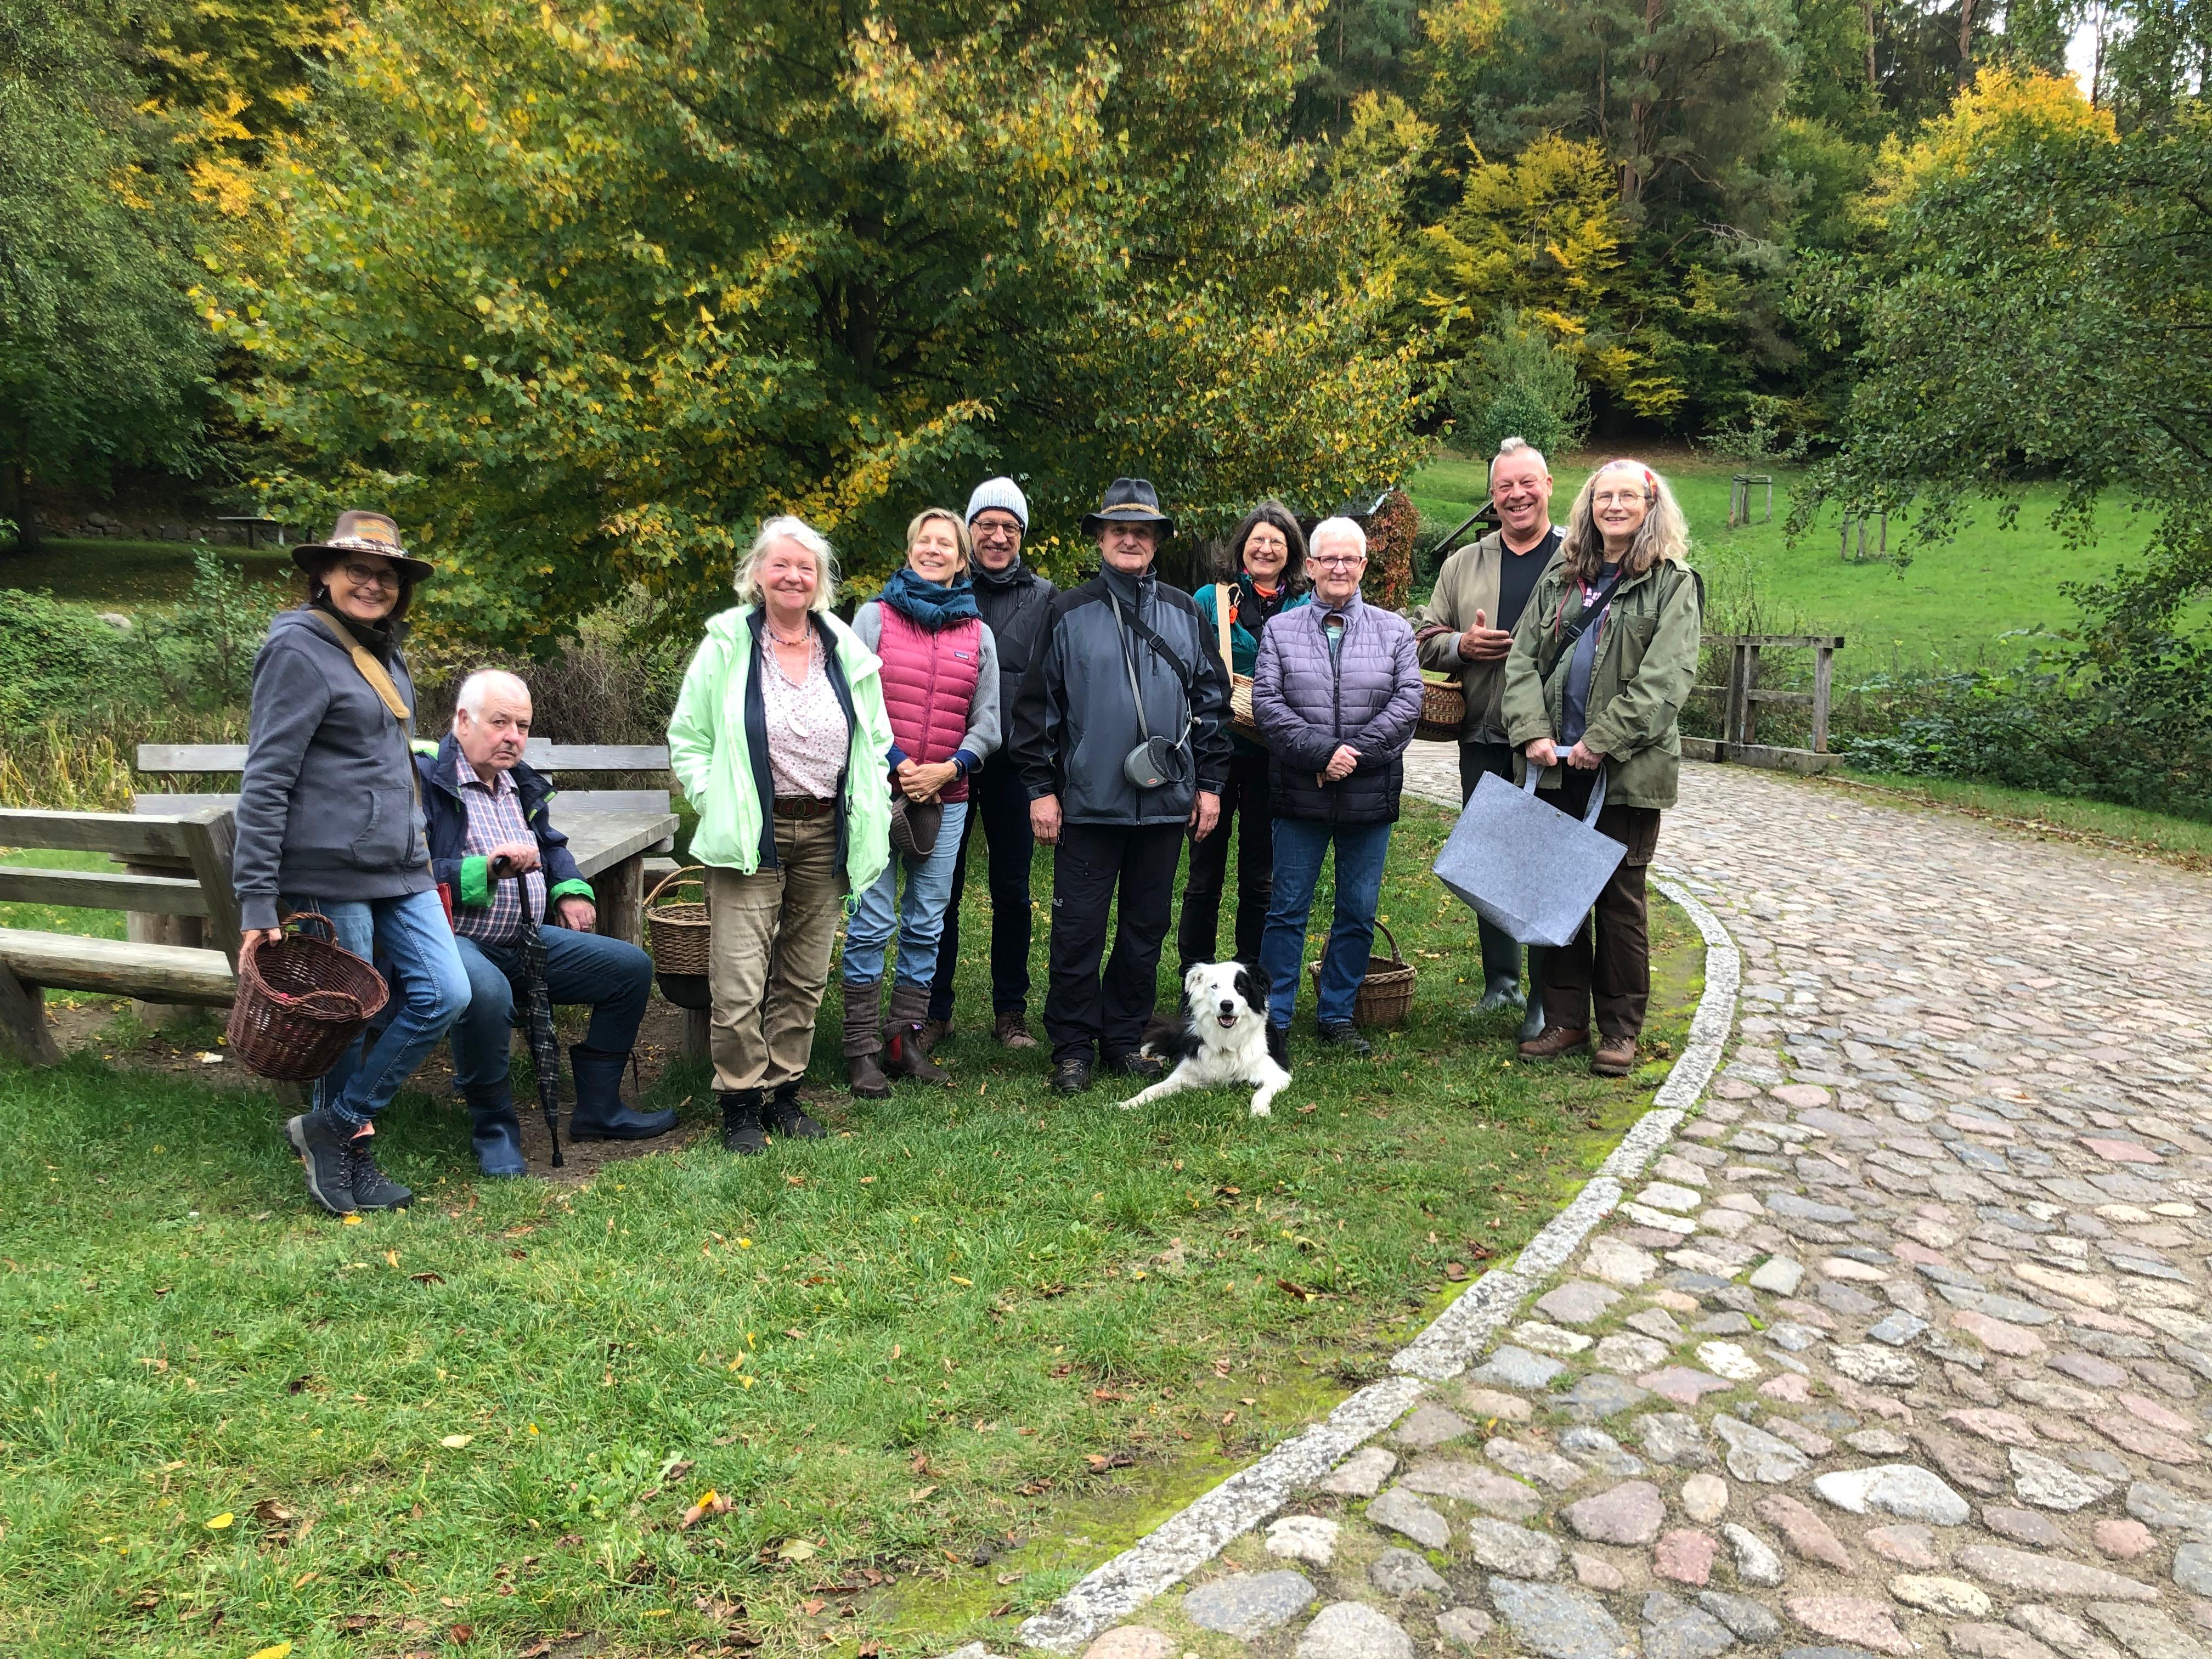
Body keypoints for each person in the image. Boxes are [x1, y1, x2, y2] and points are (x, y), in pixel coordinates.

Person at [233, 510, 471, 1217]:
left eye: (386, 575)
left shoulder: (383, 649)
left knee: (445, 993)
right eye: (358, 571)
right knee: (349, 1019)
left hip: (401, 867)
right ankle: (349, 1154)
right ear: (324, 576)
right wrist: (256, 901)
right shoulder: (298, 651)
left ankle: (330, 1128)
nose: (373, 584)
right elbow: (267, 778)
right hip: (331, 870)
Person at [667, 516, 895, 1152]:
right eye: (781, 565)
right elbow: (689, 739)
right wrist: (715, 802)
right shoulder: (725, 646)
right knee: (739, 977)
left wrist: (869, 791)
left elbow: (875, 739)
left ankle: (784, 1095)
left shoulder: (844, 648)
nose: (793, 576)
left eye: (806, 567)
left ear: (820, 580)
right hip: (751, 834)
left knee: (802, 975)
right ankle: (740, 1102)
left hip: (827, 829)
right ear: (757, 575)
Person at [1009, 477, 1233, 1095]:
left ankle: (1122, 1037)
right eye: (1119, 530)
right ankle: (1074, 1047)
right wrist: (1041, 789)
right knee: (1078, 930)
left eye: (1142, 531)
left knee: (1144, 930)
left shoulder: (1188, 613)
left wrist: (1209, 786)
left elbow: (1213, 706)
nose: (1130, 540)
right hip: (1086, 806)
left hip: (1164, 808)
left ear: (1157, 540)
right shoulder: (1068, 611)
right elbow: (1035, 709)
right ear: (1102, 538)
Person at [417, 669, 670, 1176]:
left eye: (522, 726)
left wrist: (570, 890)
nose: (513, 736)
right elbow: (412, 868)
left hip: (525, 938)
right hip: (453, 939)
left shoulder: (520, 783)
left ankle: (600, 1111)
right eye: (500, 723)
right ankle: (495, 1130)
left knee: (629, 968)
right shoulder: (427, 782)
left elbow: (551, 847)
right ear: (462, 721)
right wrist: (486, 867)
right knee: (486, 994)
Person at [1503, 459, 1702, 1078]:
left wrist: (1602, 740)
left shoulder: (1673, 584)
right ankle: (1565, 1021)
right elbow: (1522, 663)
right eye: (1602, 497)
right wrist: (1533, 730)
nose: (1613, 506)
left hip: (1625, 773)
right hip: (1554, 768)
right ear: (1588, 507)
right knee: (1555, 899)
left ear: (1649, 507)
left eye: (1627, 497)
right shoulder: (1563, 576)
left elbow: (1665, 682)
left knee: (1619, 905)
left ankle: (1619, 1031)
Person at [839, 509, 1002, 1096]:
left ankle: (904, 1040)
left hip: (948, 798)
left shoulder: (977, 635)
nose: (934, 551)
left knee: (927, 924)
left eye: (946, 545)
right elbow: (854, 703)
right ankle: (859, 1049)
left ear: (962, 560)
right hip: (879, 794)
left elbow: (988, 722)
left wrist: (951, 768)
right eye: (924, 542)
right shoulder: (873, 618)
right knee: (872, 920)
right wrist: (898, 764)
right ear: (910, 552)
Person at [1251, 517, 1424, 1054]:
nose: (1340, 567)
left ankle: (1337, 1012)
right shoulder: (1280, 630)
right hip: (1301, 792)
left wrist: (1352, 756)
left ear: (1364, 566)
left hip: (1368, 793)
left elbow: (1408, 703)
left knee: (1357, 907)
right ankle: (1275, 1015)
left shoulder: (1394, 630)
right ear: (1311, 566)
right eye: (1330, 558)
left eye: (1351, 558)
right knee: (1287, 907)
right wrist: (1321, 754)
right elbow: (1267, 706)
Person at [1413, 436, 1563, 1032]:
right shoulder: (1464, 563)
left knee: (1546, 864)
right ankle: (1501, 982)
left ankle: (1549, 995)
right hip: (1482, 732)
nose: (1517, 494)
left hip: (1555, 739)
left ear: (1549, 486)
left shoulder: (1580, 557)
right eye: (1505, 487)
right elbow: (1425, 638)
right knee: (1492, 861)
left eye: (1527, 483)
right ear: (1492, 497)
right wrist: (1461, 646)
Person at [921, 479, 1055, 1054]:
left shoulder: (1046, 597)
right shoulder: (940, 587)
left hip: (1015, 767)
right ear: (970, 531)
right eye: (987, 526)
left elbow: (1054, 684)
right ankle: (934, 1009)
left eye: (1010, 528)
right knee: (939, 889)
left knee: (1011, 891)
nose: (998, 537)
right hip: (948, 764)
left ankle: (1010, 1012)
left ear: (1022, 535)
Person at [1181, 502, 1311, 976]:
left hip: (1276, 758)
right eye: (1258, 539)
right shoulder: (1208, 599)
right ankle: (1195, 976)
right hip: (1214, 754)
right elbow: (1186, 667)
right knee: (1203, 875)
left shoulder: (1306, 604)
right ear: (1243, 546)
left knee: (1261, 878)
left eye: (1277, 541)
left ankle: (1251, 975)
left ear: (1291, 551)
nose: (1267, 547)